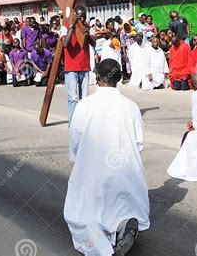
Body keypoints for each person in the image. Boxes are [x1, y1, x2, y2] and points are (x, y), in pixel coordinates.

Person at [64, 58, 150, 255]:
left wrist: (77, 164)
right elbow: (139, 144)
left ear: (98, 77)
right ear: (119, 79)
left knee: (81, 212)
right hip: (126, 176)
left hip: (94, 176)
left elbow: (75, 140)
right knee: (121, 204)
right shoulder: (131, 106)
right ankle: (120, 228)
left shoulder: (84, 105)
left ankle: (103, 247)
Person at [61, 5, 96, 125]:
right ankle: (72, 124)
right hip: (71, 69)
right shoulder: (65, 27)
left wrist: (86, 34)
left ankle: (83, 124)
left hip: (84, 67)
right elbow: (65, 44)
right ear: (75, 15)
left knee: (84, 98)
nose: (83, 19)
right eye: (80, 17)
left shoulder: (88, 27)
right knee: (73, 98)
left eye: (84, 17)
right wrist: (72, 26)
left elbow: (94, 43)